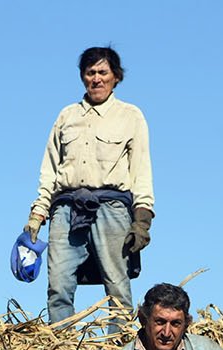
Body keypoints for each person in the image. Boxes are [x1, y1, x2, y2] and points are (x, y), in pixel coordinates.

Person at [25, 45, 154, 323]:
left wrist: (142, 220)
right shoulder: (67, 116)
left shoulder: (130, 115)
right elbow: (49, 170)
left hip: (112, 208)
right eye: (90, 72)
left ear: (116, 77)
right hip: (66, 209)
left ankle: (119, 344)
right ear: (82, 77)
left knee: (117, 287)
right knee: (58, 285)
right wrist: (37, 214)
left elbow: (141, 171)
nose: (96, 79)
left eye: (102, 73)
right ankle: (62, 342)